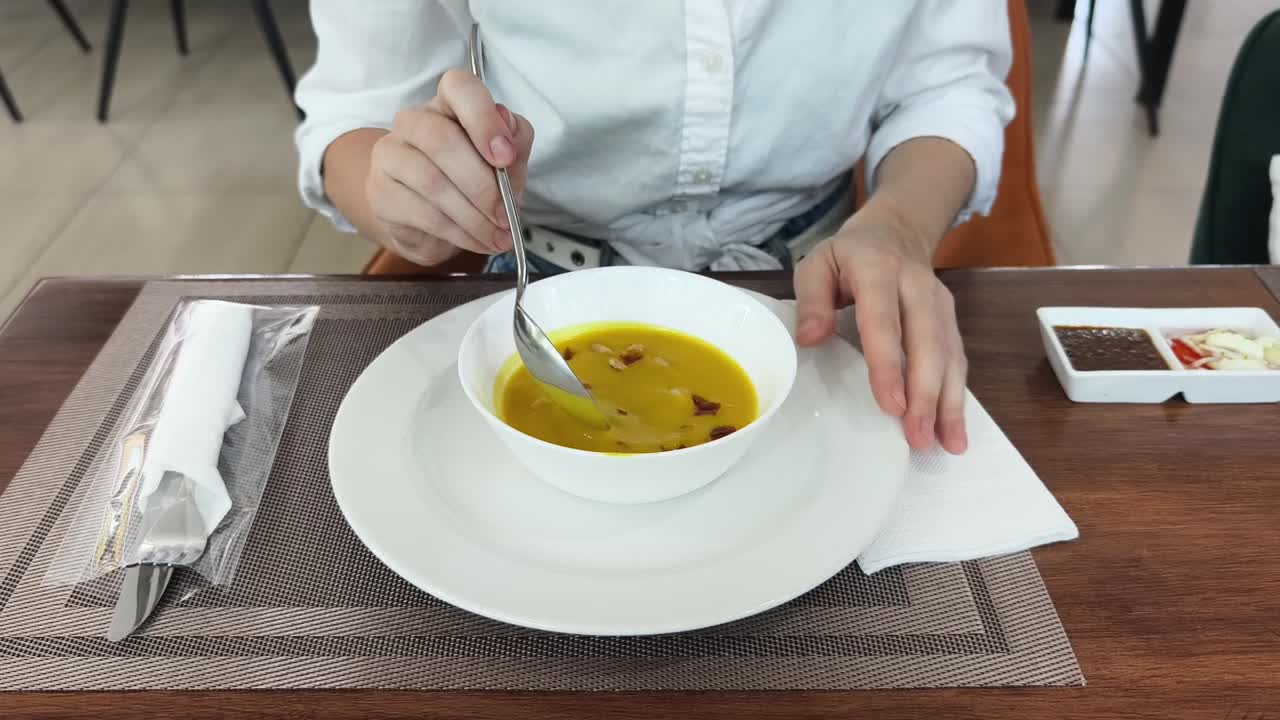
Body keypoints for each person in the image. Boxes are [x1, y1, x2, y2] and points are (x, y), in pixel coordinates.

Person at [295, 2, 1017, 456]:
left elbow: (948, 84)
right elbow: (355, 113)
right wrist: (412, 193)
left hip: (824, 288)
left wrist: (897, 225)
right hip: (534, 286)